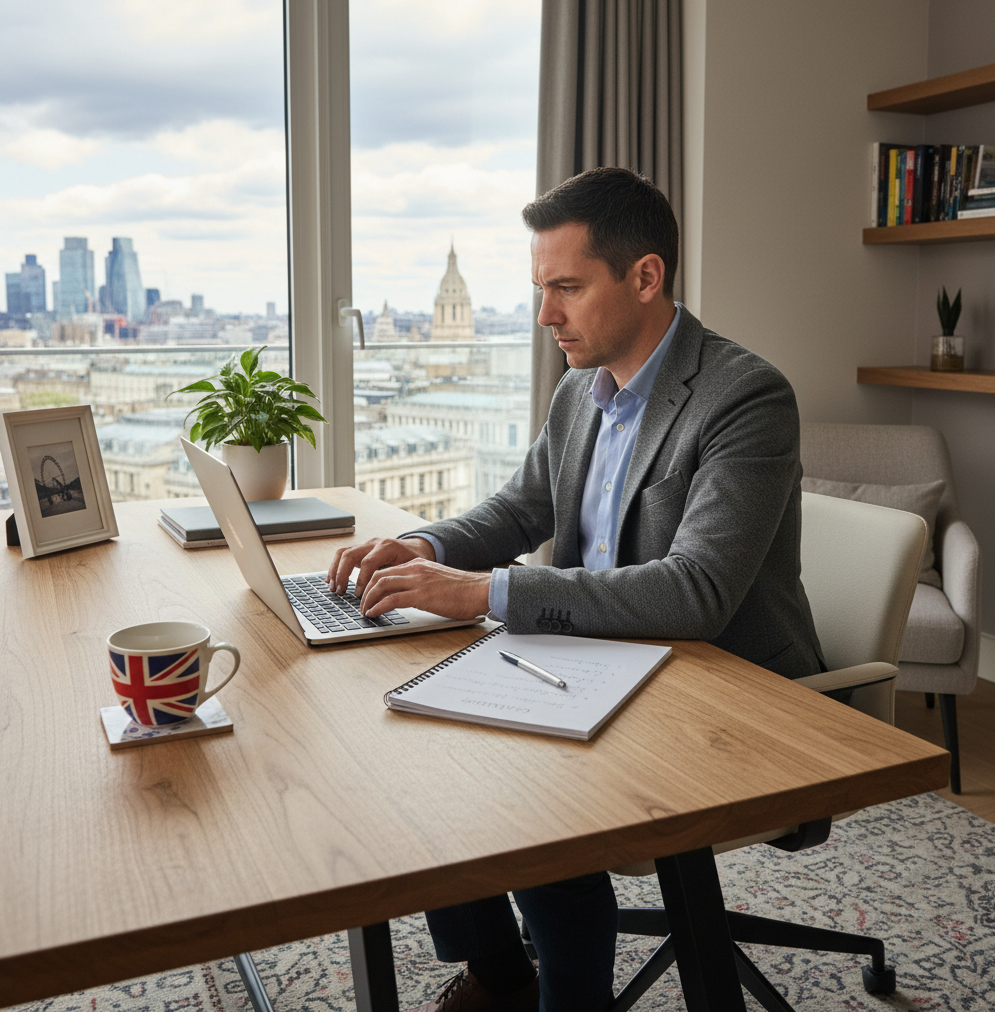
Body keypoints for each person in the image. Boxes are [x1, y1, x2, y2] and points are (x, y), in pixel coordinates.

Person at [328, 166, 824, 1012]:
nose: (544, 315)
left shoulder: (745, 398)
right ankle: (501, 975)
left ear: (645, 276)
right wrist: (422, 546)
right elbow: (520, 509)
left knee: (531, 798)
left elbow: (697, 593)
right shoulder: (578, 391)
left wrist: (482, 593)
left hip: (722, 691)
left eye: (566, 288)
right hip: (594, 660)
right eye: (540, 289)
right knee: (419, 746)